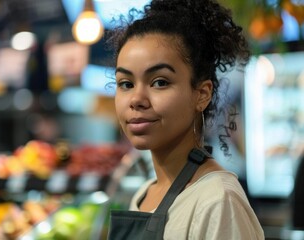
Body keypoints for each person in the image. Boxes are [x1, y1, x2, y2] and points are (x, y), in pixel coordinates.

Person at [106, 0, 265, 239]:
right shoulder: (143, 194)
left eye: (160, 82)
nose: (136, 99)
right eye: (126, 84)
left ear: (201, 94)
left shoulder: (217, 200)